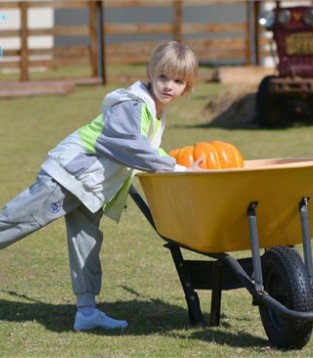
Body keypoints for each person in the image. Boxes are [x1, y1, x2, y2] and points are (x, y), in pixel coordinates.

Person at [0, 41, 201, 331]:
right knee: (15, 222)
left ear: (188, 86)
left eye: (178, 81)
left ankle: (86, 312)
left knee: (87, 245)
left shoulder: (155, 112)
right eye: (163, 77)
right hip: (68, 177)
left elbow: (145, 149)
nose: (169, 86)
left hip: (91, 188)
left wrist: (175, 164)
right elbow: (127, 146)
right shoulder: (134, 104)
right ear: (151, 73)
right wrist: (177, 167)